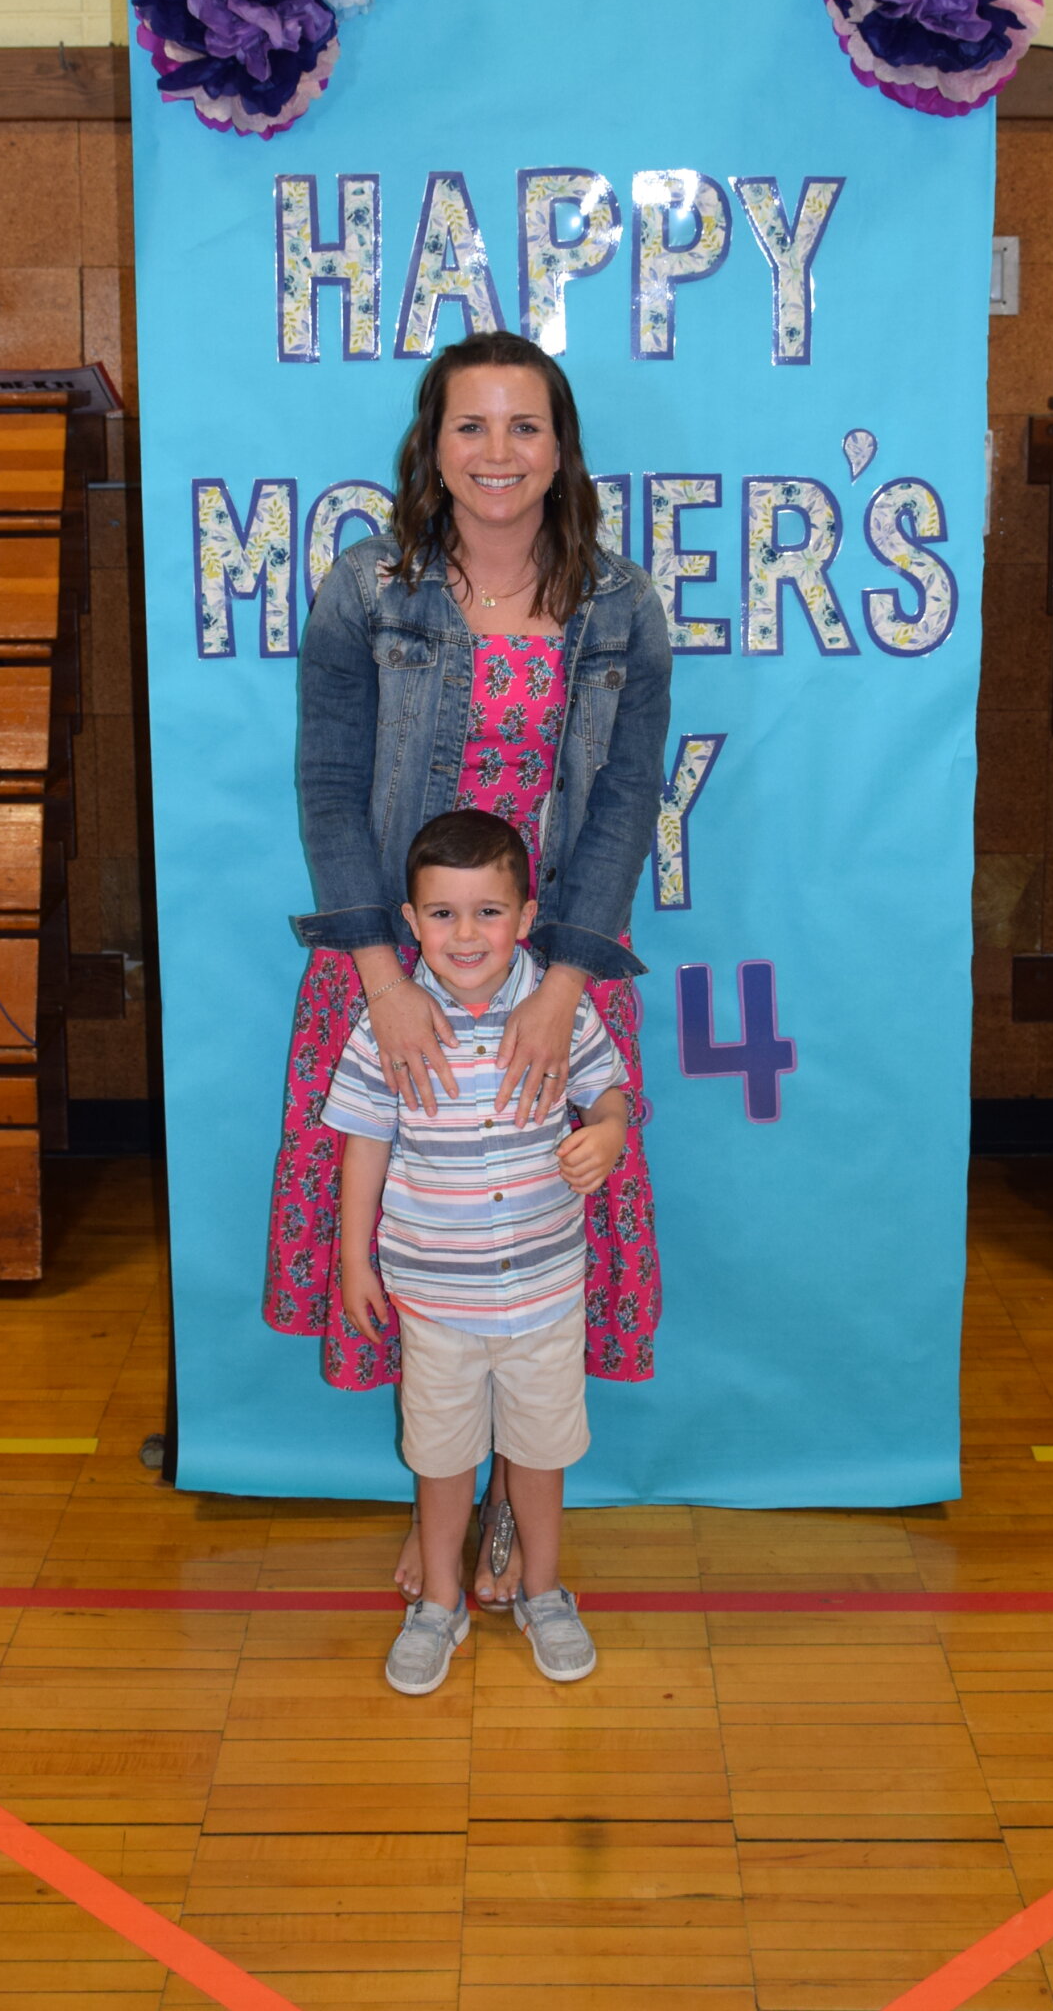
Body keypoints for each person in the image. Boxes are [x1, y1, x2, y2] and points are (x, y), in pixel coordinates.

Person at [264, 327, 671, 1606]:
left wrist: (560, 984)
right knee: (420, 1228)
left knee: (531, 1232)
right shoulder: (364, 590)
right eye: (471, 426)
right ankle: (440, 1504)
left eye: (525, 426)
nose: (498, 452)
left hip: (555, 966)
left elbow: (620, 796)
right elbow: (330, 787)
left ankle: (510, 1501)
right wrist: (386, 979)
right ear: (431, 448)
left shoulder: (619, 602)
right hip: (396, 963)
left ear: (562, 451)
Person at [327, 808, 631, 1692]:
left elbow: (609, 1097)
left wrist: (606, 1133)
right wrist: (355, 1258)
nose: (468, 934)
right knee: (440, 1452)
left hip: (543, 1292)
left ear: (527, 916)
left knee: (540, 1452)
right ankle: (439, 1605)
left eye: (489, 912)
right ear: (411, 921)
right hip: (435, 1298)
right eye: (445, 913)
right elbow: (365, 1142)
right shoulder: (391, 1025)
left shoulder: (555, 1015)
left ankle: (544, 1593)